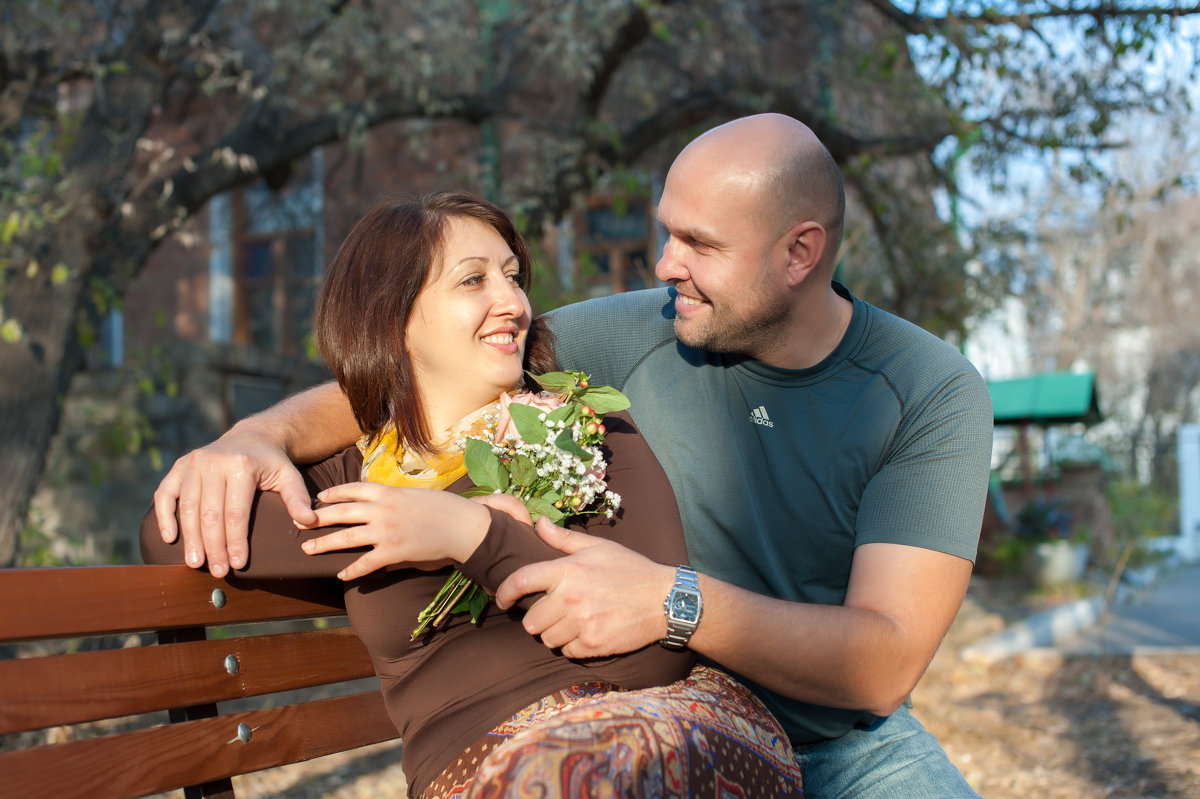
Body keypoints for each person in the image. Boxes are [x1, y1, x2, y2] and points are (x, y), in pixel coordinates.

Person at [153, 114, 994, 797]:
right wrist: (252, 439)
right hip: (622, 735)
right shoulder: (639, 329)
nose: (666, 266)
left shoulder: (927, 391)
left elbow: (880, 663)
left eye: (699, 244)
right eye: (666, 233)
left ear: (799, 253)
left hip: (834, 742)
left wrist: (675, 602)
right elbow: (418, 380)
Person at [141, 192, 804, 798]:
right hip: (485, 770)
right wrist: (248, 441)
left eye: (513, 275)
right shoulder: (354, 477)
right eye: (474, 279)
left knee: (601, 764)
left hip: (652, 734)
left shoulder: (586, 428)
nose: (513, 302)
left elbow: (657, 653)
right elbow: (170, 533)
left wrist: (471, 535)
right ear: (393, 317)